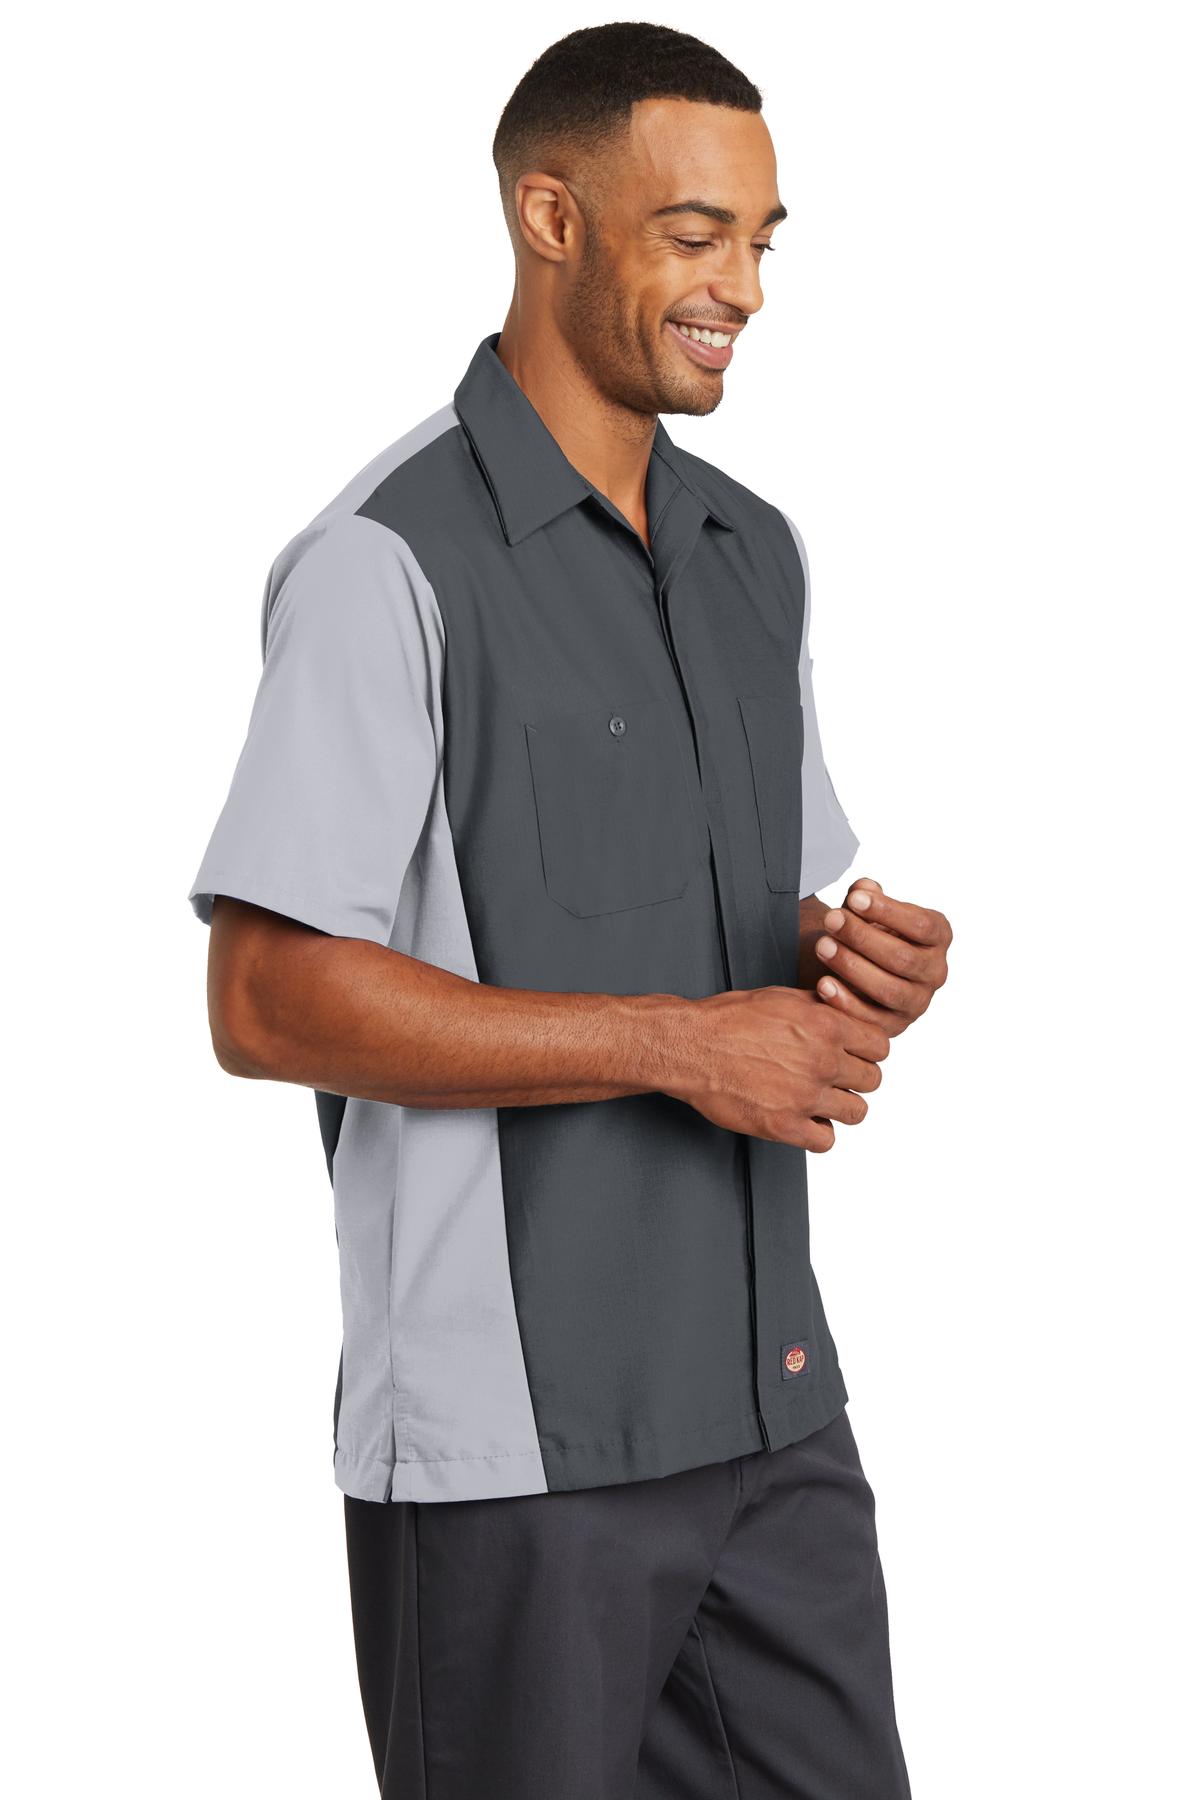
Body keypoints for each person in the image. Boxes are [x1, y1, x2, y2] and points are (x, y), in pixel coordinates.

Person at [187, 21, 951, 1798]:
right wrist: (685, 1044)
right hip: (510, 1458)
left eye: (761, 239)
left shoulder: (755, 553)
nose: (742, 285)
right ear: (551, 217)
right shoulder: (383, 565)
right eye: (696, 234)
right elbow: (266, 1000)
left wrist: (852, 969)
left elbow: (738, 932)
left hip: (769, 1409)